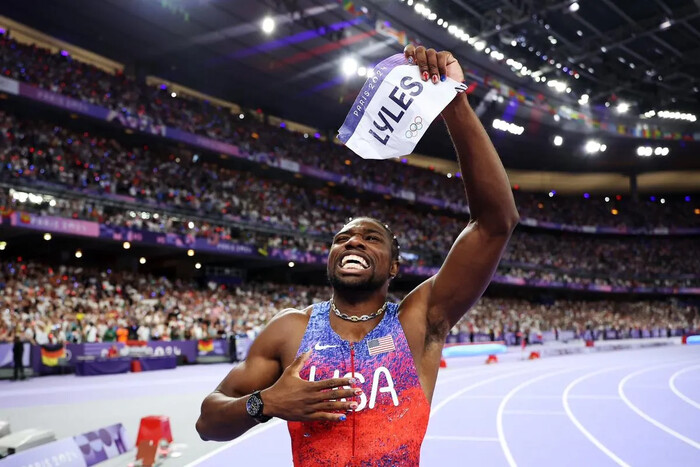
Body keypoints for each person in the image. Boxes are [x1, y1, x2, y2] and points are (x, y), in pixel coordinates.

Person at [195, 45, 519, 466]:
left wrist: (453, 100)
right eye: (343, 238)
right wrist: (265, 403)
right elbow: (207, 421)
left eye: (371, 238)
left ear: (394, 266)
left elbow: (496, 222)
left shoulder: (420, 320)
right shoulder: (289, 331)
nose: (353, 243)